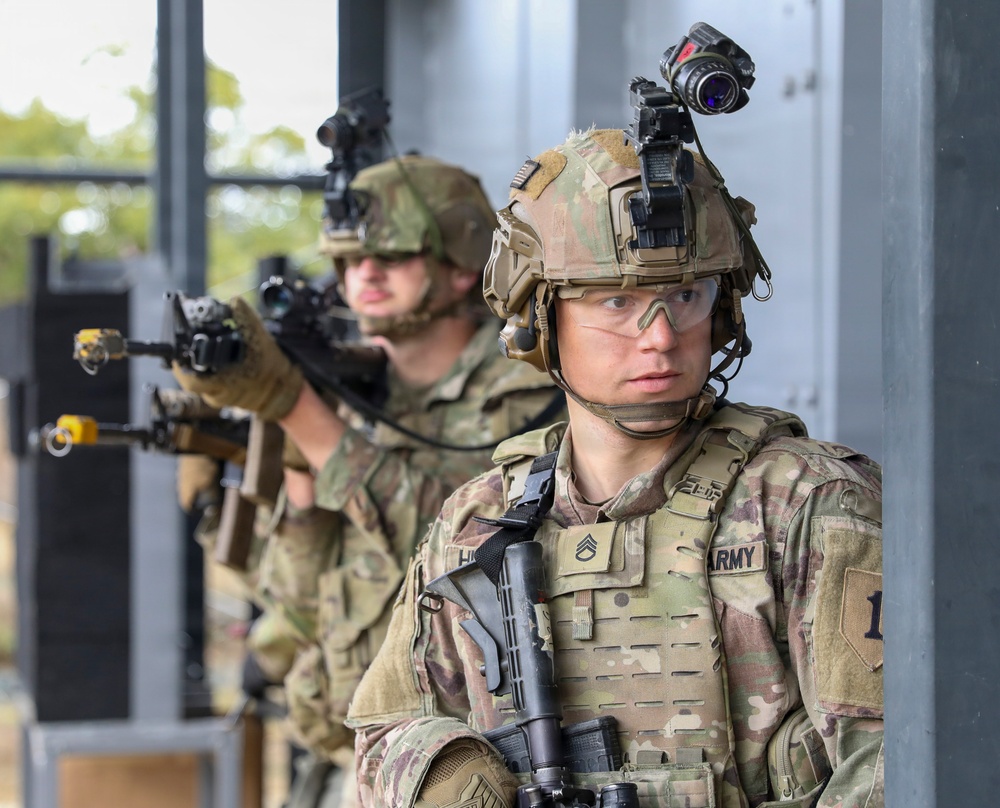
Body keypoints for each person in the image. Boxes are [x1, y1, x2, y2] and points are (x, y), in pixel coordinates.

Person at [345, 128, 884, 808]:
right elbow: (381, 733)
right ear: (540, 319)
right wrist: (443, 773)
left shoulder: (808, 504)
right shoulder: (479, 522)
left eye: (686, 296)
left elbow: (895, 758)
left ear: (722, 313)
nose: (660, 335)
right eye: (615, 302)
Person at [173, 154, 567, 806]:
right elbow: (300, 602)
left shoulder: (525, 391)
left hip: (459, 760)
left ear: (462, 263)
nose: (366, 275)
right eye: (352, 261)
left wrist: (298, 409)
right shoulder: (355, 393)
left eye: (394, 255)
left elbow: (458, 545)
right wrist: (296, 477)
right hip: (346, 748)